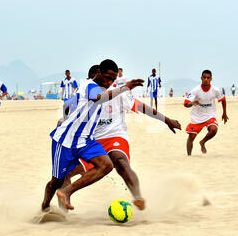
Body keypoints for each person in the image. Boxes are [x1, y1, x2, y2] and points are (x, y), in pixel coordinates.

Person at [60, 69, 181, 211]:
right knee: (65, 172)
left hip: (115, 136)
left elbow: (142, 107)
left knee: (120, 162)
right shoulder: (82, 94)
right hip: (91, 141)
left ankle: (138, 197)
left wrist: (167, 120)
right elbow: (67, 112)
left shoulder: (118, 94)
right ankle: (62, 211)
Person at [41, 59, 144, 211]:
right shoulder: (89, 86)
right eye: (107, 78)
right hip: (65, 141)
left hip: (85, 140)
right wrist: (125, 87)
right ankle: (45, 207)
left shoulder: (103, 89)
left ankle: (66, 192)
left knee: (106, 165)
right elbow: (97, 98)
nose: (109, 82)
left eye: (112, 80)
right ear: (98, 73)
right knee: (56, 181)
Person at [184, 70, 229, 155]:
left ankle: (202, 142)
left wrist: (224, 113)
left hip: (210, 116)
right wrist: (192, 103)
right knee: (191, 137)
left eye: (208, 78)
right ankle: (189, 156)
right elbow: (185, 104)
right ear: (201, 78)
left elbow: (223, 99)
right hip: (197, 117)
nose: (206, 79)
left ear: (211, 79)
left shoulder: (215, 90)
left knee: (214, 130)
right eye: (204, 77)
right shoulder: (196, 90)